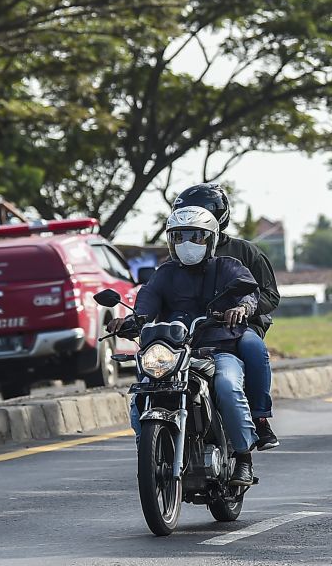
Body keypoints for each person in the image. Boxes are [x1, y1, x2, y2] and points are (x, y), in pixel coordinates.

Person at [110, 206, 260, 485]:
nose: (187, 244)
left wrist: (241, 308)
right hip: (173, 354)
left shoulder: (228, 267)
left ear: (212, 239)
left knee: (227, 386)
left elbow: (250, 293)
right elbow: (146, 302)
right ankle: (151, 450)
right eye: (179, 237)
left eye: (196, 236)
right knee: (141, 393)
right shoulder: (165, 274)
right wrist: (132, 320)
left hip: (219, 350)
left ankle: (243, 458)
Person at [174, 183, 282, 450]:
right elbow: (157, 293)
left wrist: (244, 310)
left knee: (252, 347)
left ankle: (259, 418)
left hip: (240, 327)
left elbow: (270, 295)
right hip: (194, 330)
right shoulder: (177, 256)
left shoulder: (245, 253)